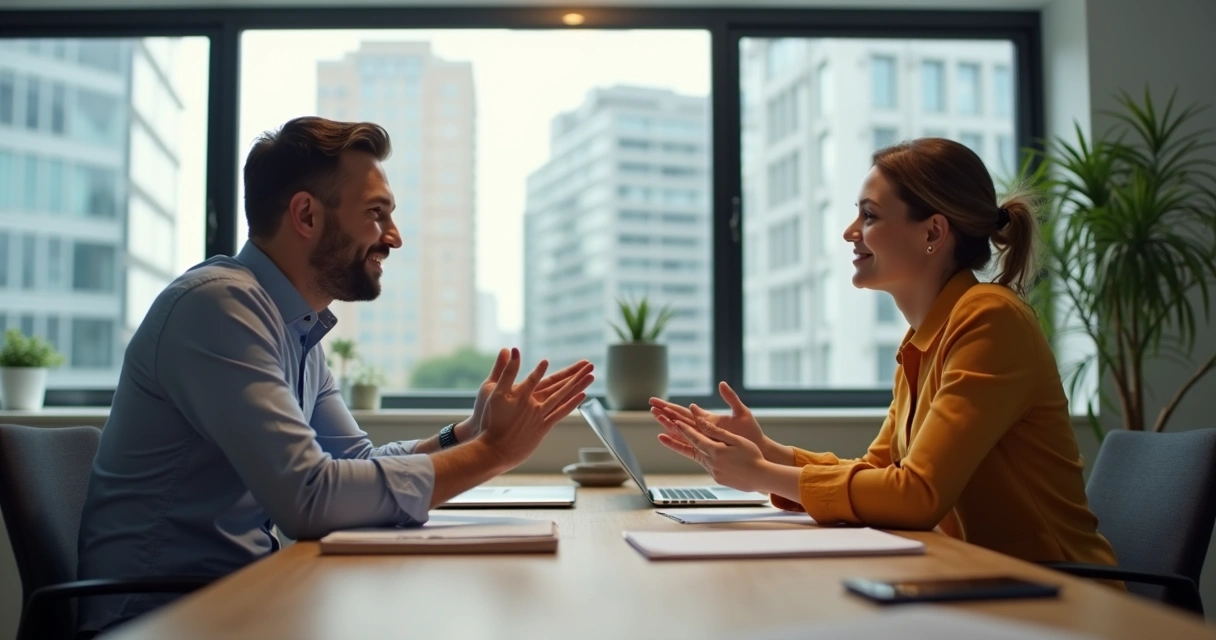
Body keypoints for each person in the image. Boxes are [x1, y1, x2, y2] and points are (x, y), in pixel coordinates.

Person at [75, 116, 595, 633]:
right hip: (161, 619)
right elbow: (309, 497)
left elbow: (354, 463)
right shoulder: (219, 307)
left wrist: (465, 436)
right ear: (306, 214)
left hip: (242, 597)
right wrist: (494, 453)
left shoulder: (294, 327)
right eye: (376, 214)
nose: (393, 237)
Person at [650, 138, 1119, 570]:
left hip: (1058, 596)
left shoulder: (990, 320)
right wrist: (767, 454)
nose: (850, 232)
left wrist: (761, 474)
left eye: (869, 216)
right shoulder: (926, 336)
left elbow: (917, 494)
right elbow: (881, 474)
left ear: (933, 231)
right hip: (976, 577)